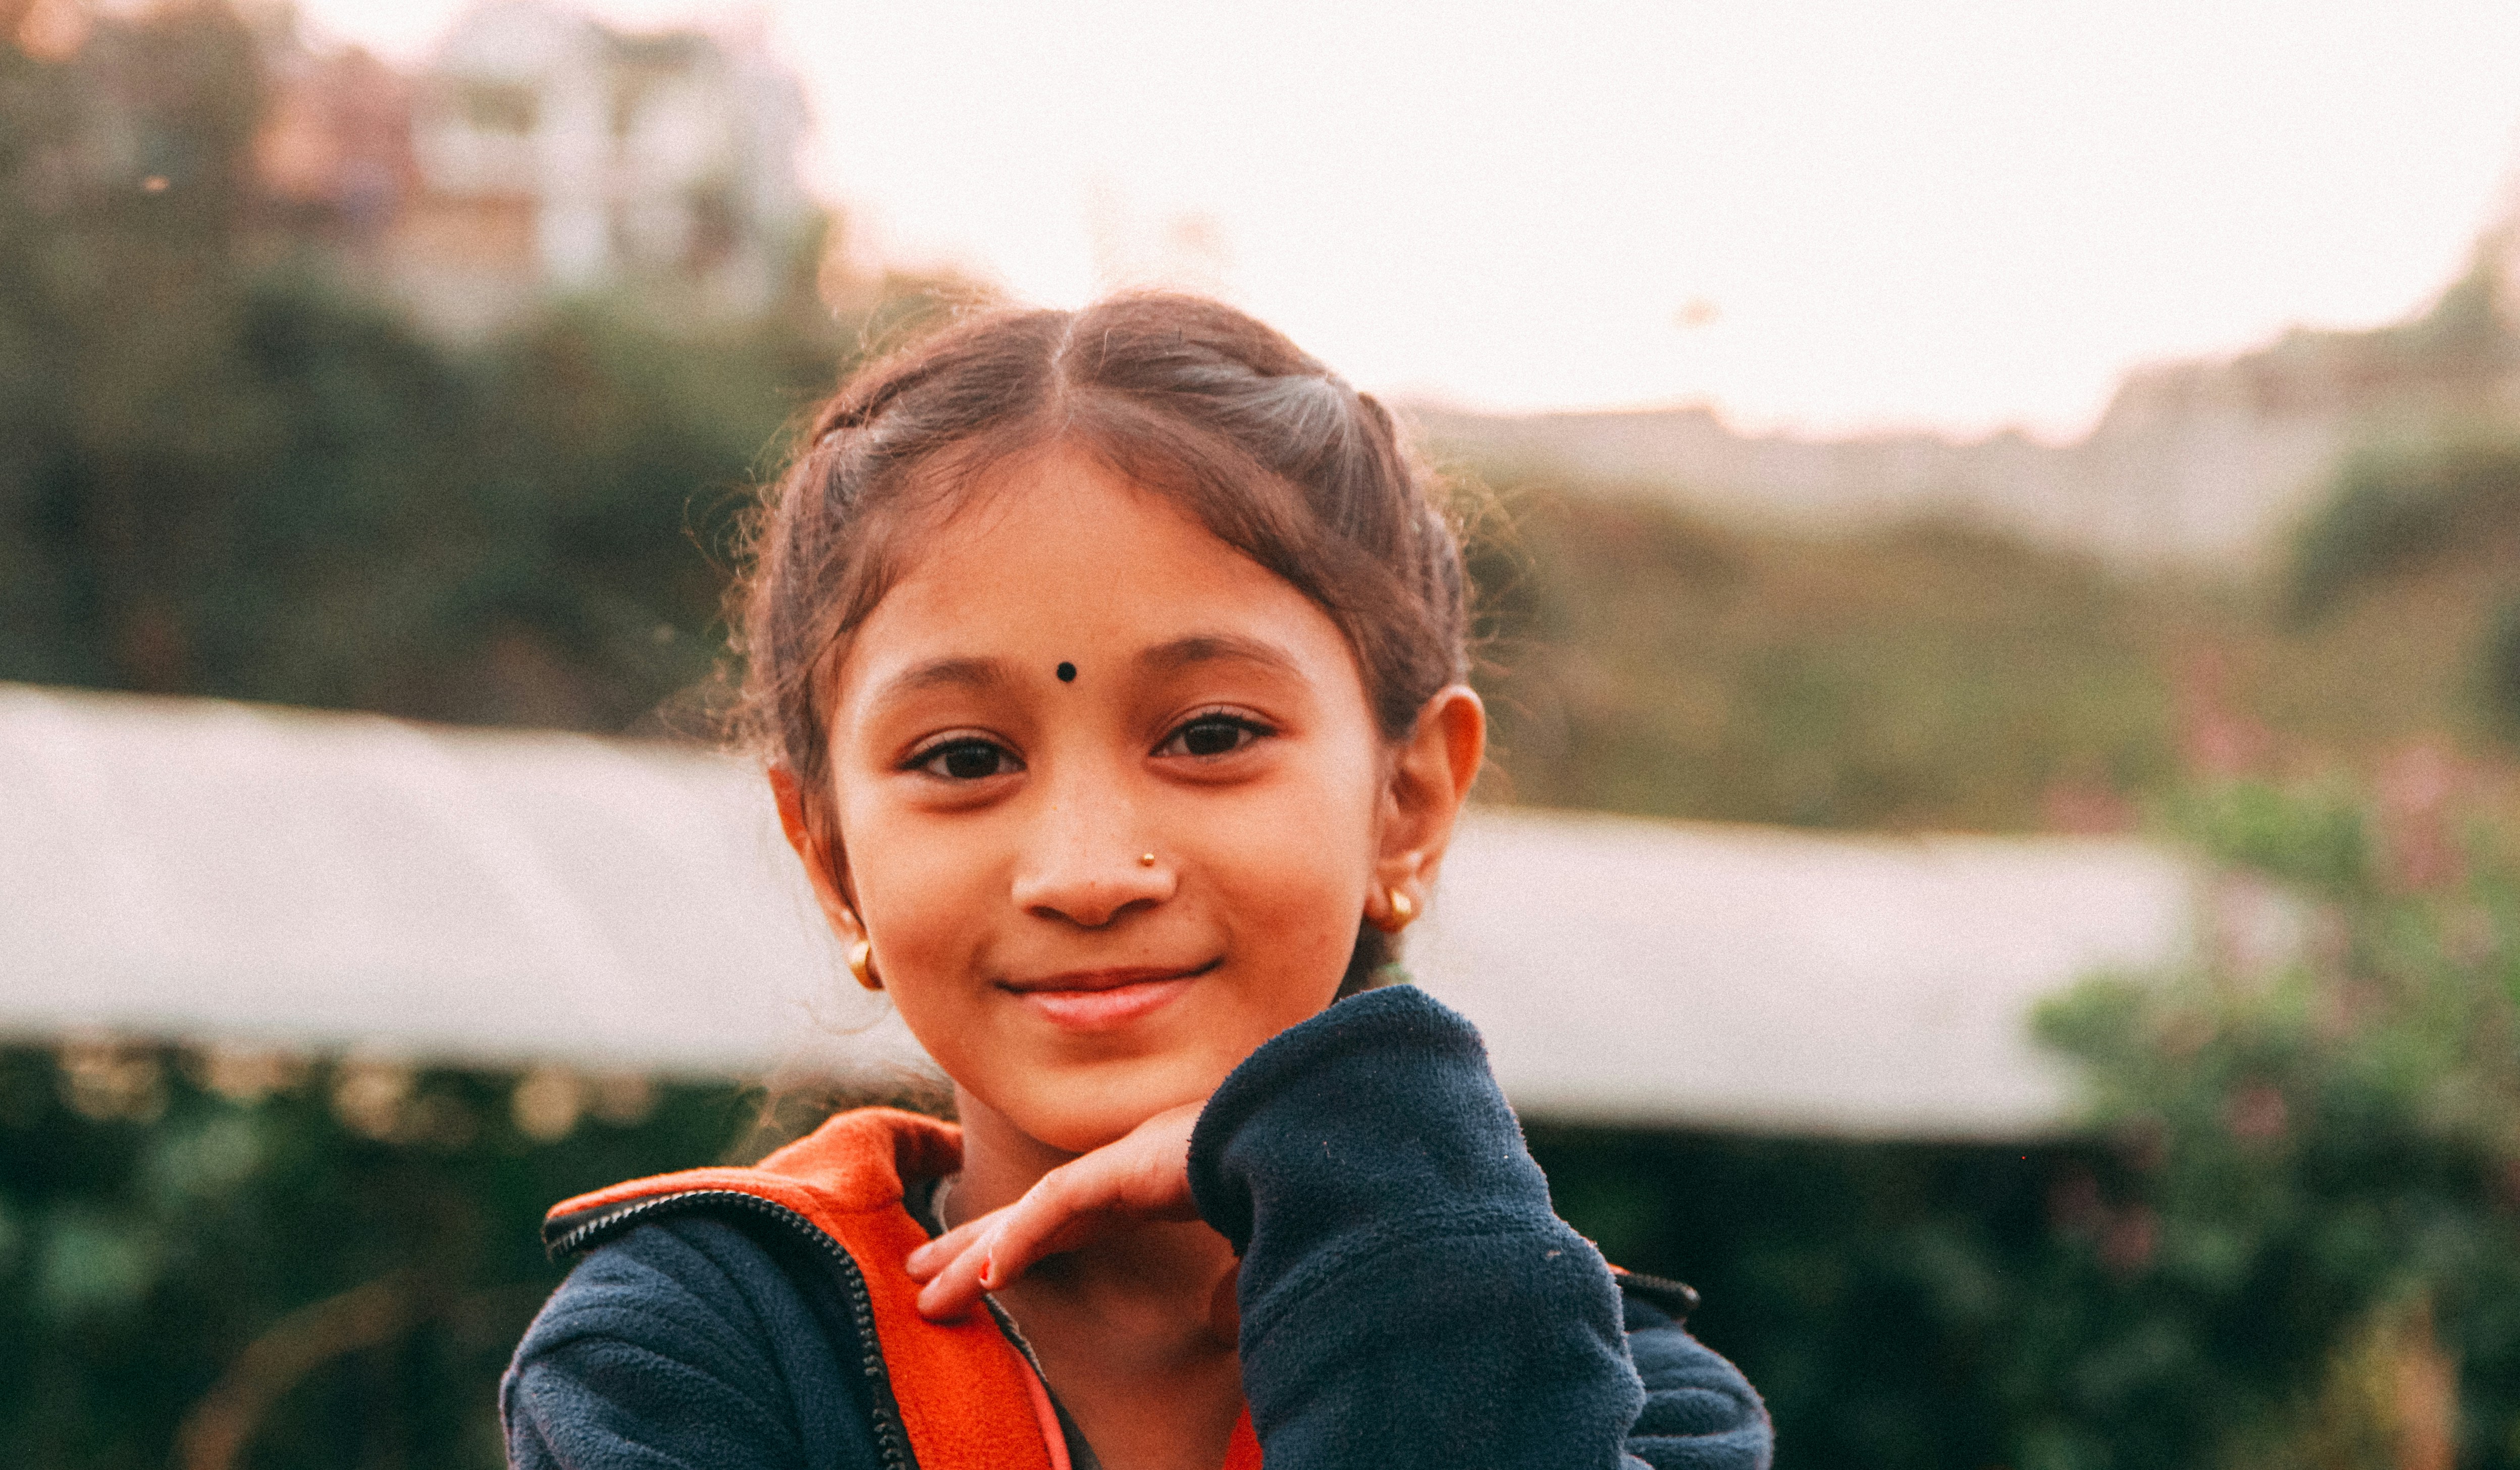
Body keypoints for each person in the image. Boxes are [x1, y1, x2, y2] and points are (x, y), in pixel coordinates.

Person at [500, 294, 1772, 1470]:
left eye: (1210, 734)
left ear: (1409, 802)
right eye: (963, 757)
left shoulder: (1634, 1404)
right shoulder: (685, 1357)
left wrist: (1385, 1209)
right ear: (828, 856)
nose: (1090, 873)